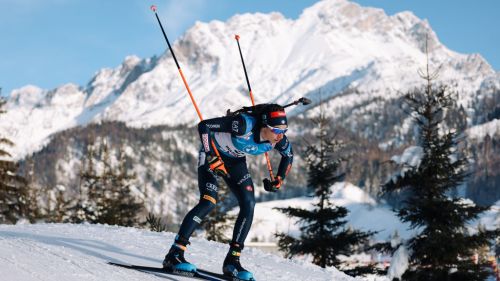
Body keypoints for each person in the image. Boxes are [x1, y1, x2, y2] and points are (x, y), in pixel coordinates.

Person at [163, 103, 293, 281]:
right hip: (212, 156)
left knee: (249, 204)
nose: (280, 135)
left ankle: (232, 261)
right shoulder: (242, 124)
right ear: (264, 125)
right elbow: (204, 126)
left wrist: (279, 178)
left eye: (284, 130)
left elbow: (288, 155)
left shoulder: (279, 139)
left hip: (235, 162)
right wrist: (211, 155)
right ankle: (175, 254)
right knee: (208, 201)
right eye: (276, 130)